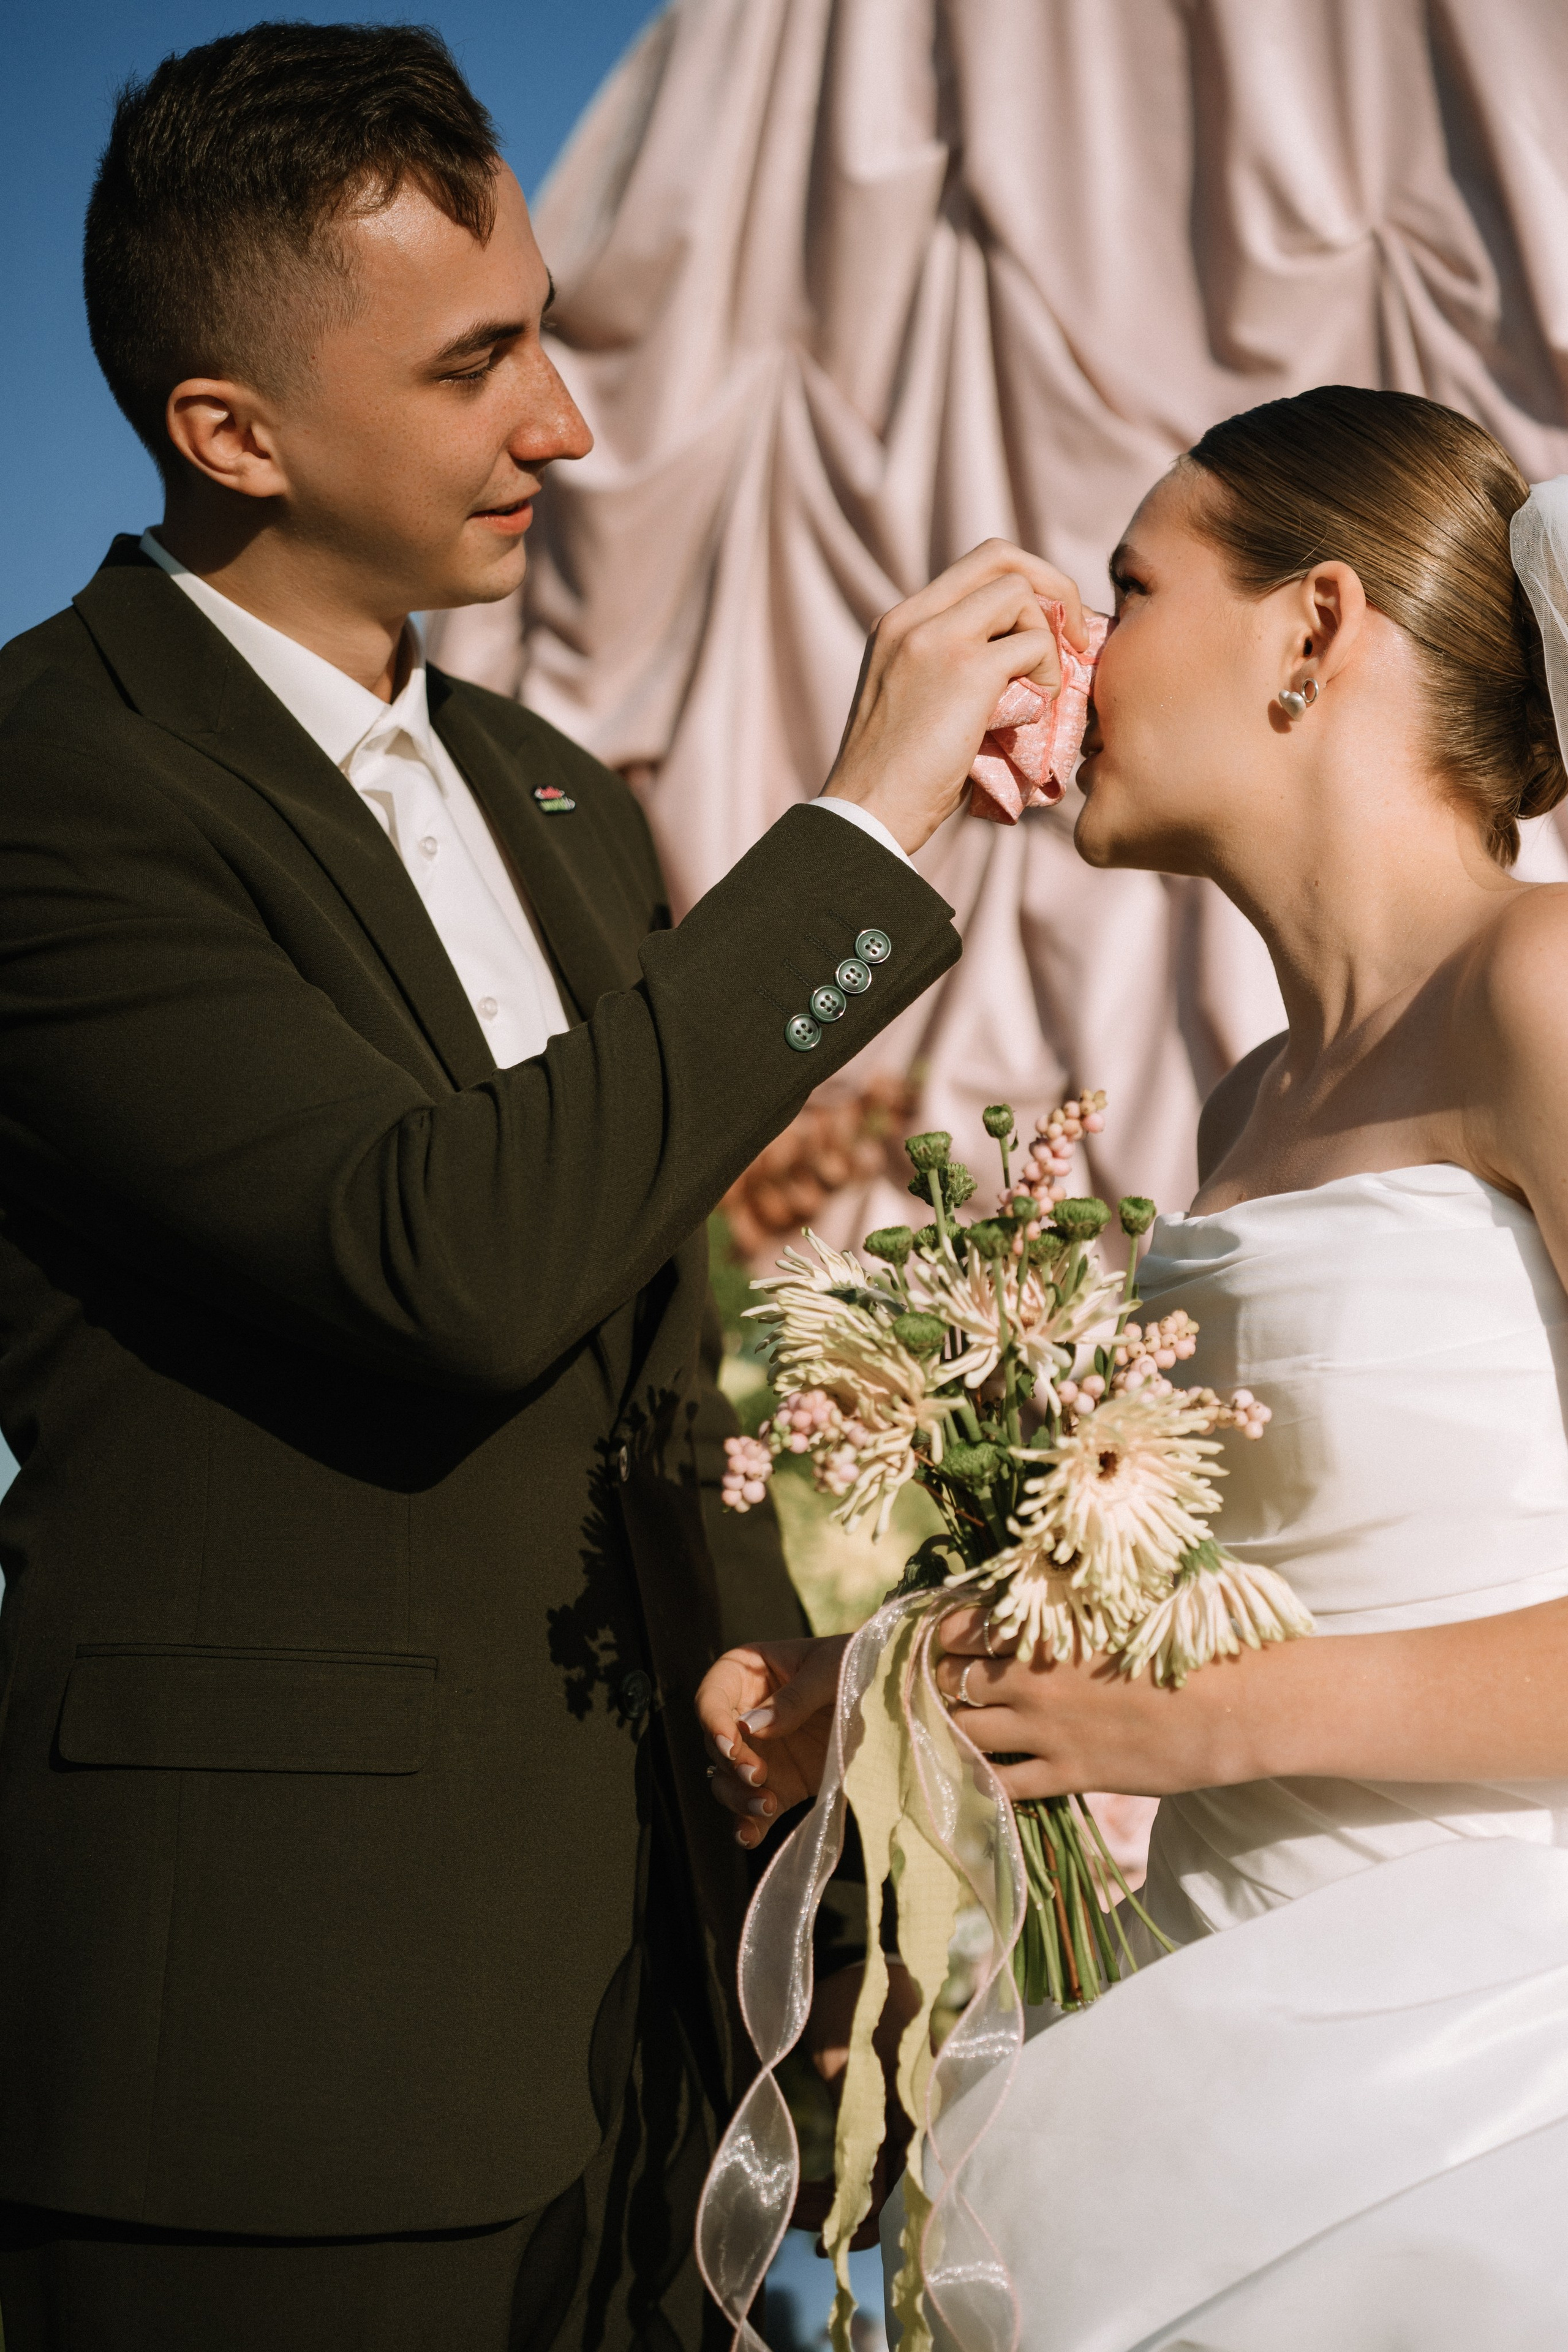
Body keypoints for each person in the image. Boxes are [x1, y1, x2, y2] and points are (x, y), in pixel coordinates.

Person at [0, 21, 1085, 2350]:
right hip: (280, 2065)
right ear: (232, 432)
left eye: (548, 335)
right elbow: (450, 1258)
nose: (564, 425)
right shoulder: (50, 784)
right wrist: (858, 833)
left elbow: (646, 1352)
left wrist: (810, 1837)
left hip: (656, 2047)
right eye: (473, 364)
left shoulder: (559, 794)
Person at [700, 384, 1568, 2346]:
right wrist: (898, 1681)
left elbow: (1231, 1682)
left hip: (1499, 2062)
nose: (1075, 654)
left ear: (1314, 628)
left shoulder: (1545, 984)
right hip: (1215, 2025)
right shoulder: (1252, 1102)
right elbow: (1259, 1582)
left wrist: (1216, 1719)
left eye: (1130, 587)